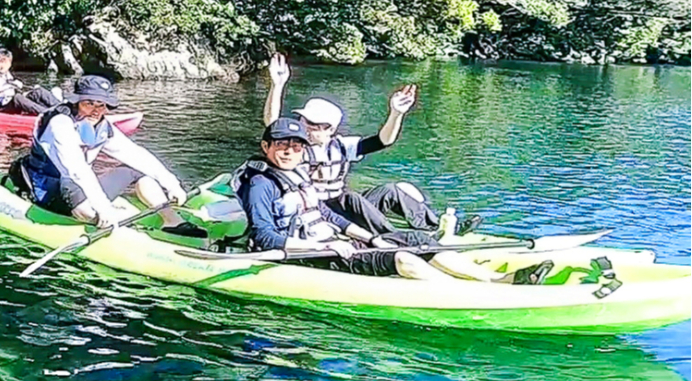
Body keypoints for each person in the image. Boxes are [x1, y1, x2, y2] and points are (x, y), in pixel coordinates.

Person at [232, 119, 546, 283]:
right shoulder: (260, 184)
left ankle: (499, 279)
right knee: (403, 258)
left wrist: (372, 237)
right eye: (281, 145)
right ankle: (476, 293)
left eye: (295, 146)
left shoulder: (298, 173)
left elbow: (327, 215)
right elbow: (265, 237)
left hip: (332, 241)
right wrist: (319, 248)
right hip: (309, 255)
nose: (288, 151)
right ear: (266, 146)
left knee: (416, 241)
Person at [263, 54, 482, 238]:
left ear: (329, 128)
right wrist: (277, 85)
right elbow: (273, 124)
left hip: (342, 208)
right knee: (351, 198)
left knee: (389, 191)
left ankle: (434, 229)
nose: (304, 126)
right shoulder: (294, 149)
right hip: (314, 212)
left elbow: (383, 140)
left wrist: (396, 113)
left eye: (311, 124)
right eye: (303, 121)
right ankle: (400, 238)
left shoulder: (341, 146)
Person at [11, 75, 204, 237]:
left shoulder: (102, 125)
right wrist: (104, 208)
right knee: (82, 197)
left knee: (136, 169)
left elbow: (135, 154)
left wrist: (171, 183)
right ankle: (125, 228)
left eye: (101, 105)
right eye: (89, 104)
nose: (96, 110)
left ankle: (171, 221)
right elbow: (77, 170)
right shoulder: (60, 123)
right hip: (50, 191)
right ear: (77, 102)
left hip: (78, 185)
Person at [0, 48, 61, 114]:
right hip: (0, 107)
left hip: (10, 103)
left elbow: (13, 90)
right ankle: (48, 114)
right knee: (17, 98)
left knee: (38, 92)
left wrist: (23, 89)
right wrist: (10, 85)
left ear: (10, 64)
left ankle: (61, 108)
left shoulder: (8, 75)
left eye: (6, 62)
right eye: (1, 62)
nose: (3, 66)